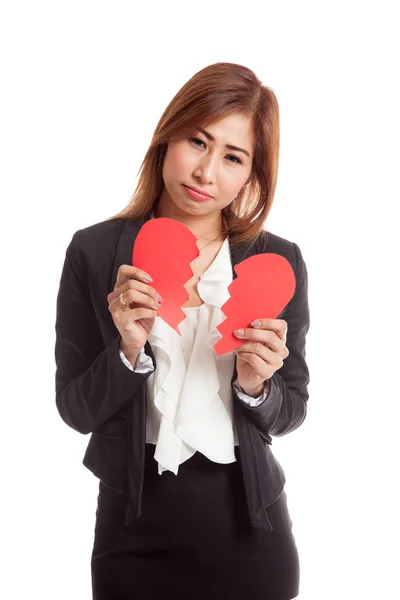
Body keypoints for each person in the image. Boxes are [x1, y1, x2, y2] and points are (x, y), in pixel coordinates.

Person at [54, 62, 310, 600]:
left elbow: (291, 411)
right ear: (168, 134)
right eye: (198, 141)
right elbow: (77, 410)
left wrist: (257, 387)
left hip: (251, 532)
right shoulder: (94, 252)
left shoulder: (277, 261)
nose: (206, 172)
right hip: (131, 533)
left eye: (233, 157)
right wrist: (127, 350)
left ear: (251, 176)